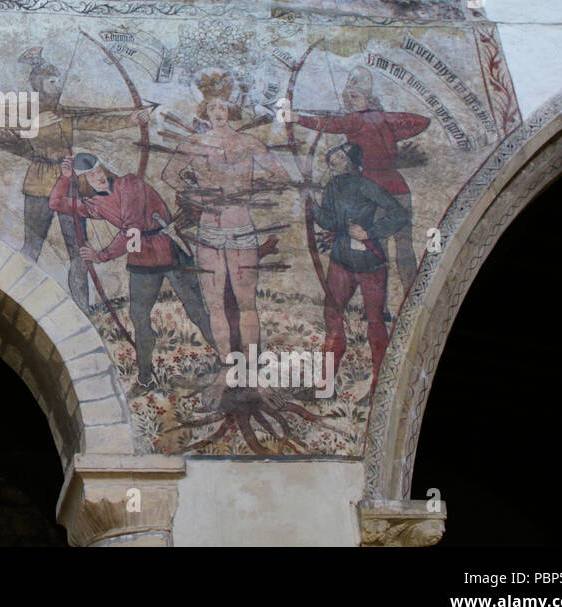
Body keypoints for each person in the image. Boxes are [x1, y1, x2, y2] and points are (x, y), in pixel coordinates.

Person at [0, 47, 149, 315]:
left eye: (58, 80)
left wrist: (131, 119)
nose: (58, 85)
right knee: (32, 245)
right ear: (38, 84)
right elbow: (2, 126)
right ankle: (11, 304)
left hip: (70, 186)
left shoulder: (65, 112)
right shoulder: (27, 110)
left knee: (78, 249)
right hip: (40, 183)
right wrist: (35, 123)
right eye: (52, 81)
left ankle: (81, 306)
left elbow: (96, 121)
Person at [50, 151, 215, 395]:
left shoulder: (130, 184)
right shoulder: (96, 204)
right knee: (139, 317)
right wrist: (64, 178)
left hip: (167, 248)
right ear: (83, 181)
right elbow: (56, 203)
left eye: (98, 171)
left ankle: (230, 359)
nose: (98, 178)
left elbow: (133, 228)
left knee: (197, 310)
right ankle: (146, 378)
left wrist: (102, 256)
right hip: (142, 258)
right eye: (90, 176)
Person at [161, 69, 290, 355]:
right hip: (210, 230)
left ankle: (251, 364)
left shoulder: (249, 143)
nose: (218, 111)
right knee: (215, 302)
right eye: (212, 107)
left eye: (223, 106)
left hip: (242, 226)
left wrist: (252, 187)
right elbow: (169, 174)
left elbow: (281, 175)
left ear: (231, 110)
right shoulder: (194, 143)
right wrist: (196, 195)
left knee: (247, 302)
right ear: (204, 111)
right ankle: (226, 364)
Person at [290, 66, 429, 290]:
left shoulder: (355, 120)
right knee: (400, 243)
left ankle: (391, 302)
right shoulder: (383, 119)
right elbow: (421, 122)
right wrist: (392, 132)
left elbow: (329, 125)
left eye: (354, 96)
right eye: (348, 97)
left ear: (367, 98)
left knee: (379, 244)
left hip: (373, 190)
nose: (350, 101)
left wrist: (296, 117)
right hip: (396, 186)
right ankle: (407, 294)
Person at [311, 142, 409, 396]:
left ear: (352, 162)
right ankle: (326, 383)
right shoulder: (332, 187)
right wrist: (311, 206)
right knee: (333, 317)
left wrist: (371, 232)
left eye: (340, 156)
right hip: (341, 260)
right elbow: (330, 221)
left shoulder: (366, 185)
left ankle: (380, 384)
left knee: (375, 321)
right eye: (334, 154)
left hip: (369, 263)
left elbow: (399, 214)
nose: (334, 158)